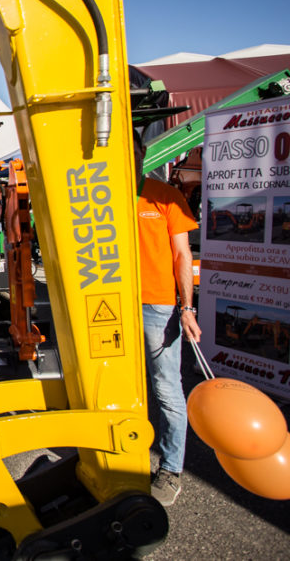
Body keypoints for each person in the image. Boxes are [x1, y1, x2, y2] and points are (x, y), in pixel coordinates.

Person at [133, 132, 201, 507]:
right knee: (126, 389)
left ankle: (171, 470)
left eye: (135, 150)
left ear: (143, 154)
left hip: (157, 307)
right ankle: (129, 461)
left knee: (166, 389)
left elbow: (182, 256)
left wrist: (187, 309)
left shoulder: (164, 196)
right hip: (116, 304)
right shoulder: (102, 199)